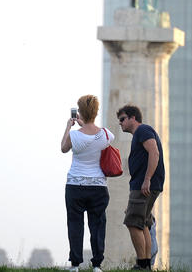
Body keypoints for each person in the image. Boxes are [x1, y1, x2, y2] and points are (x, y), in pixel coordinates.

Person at [61, 94, 113, 272]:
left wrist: (69, 126)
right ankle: (97, 265)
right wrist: (88, 125)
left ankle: (75, 265)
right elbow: (95, 137)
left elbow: (63, 148)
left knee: (75, 224)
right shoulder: (107, 134)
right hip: (98, 187)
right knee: (97, 225)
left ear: (79, 113)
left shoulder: (75, 136)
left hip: (75, 185)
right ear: (96, 112)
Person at [116, 104, 164, 270]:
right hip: (145, 184)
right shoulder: (140, 134)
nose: (120, 123)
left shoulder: (143, 130)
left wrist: (147, 179)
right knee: (143, 223)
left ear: (133, 118)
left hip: (143, 186)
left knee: (132, 222)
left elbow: (154, 152)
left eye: (122, 119)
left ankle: (143, 264)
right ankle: (146, 265)